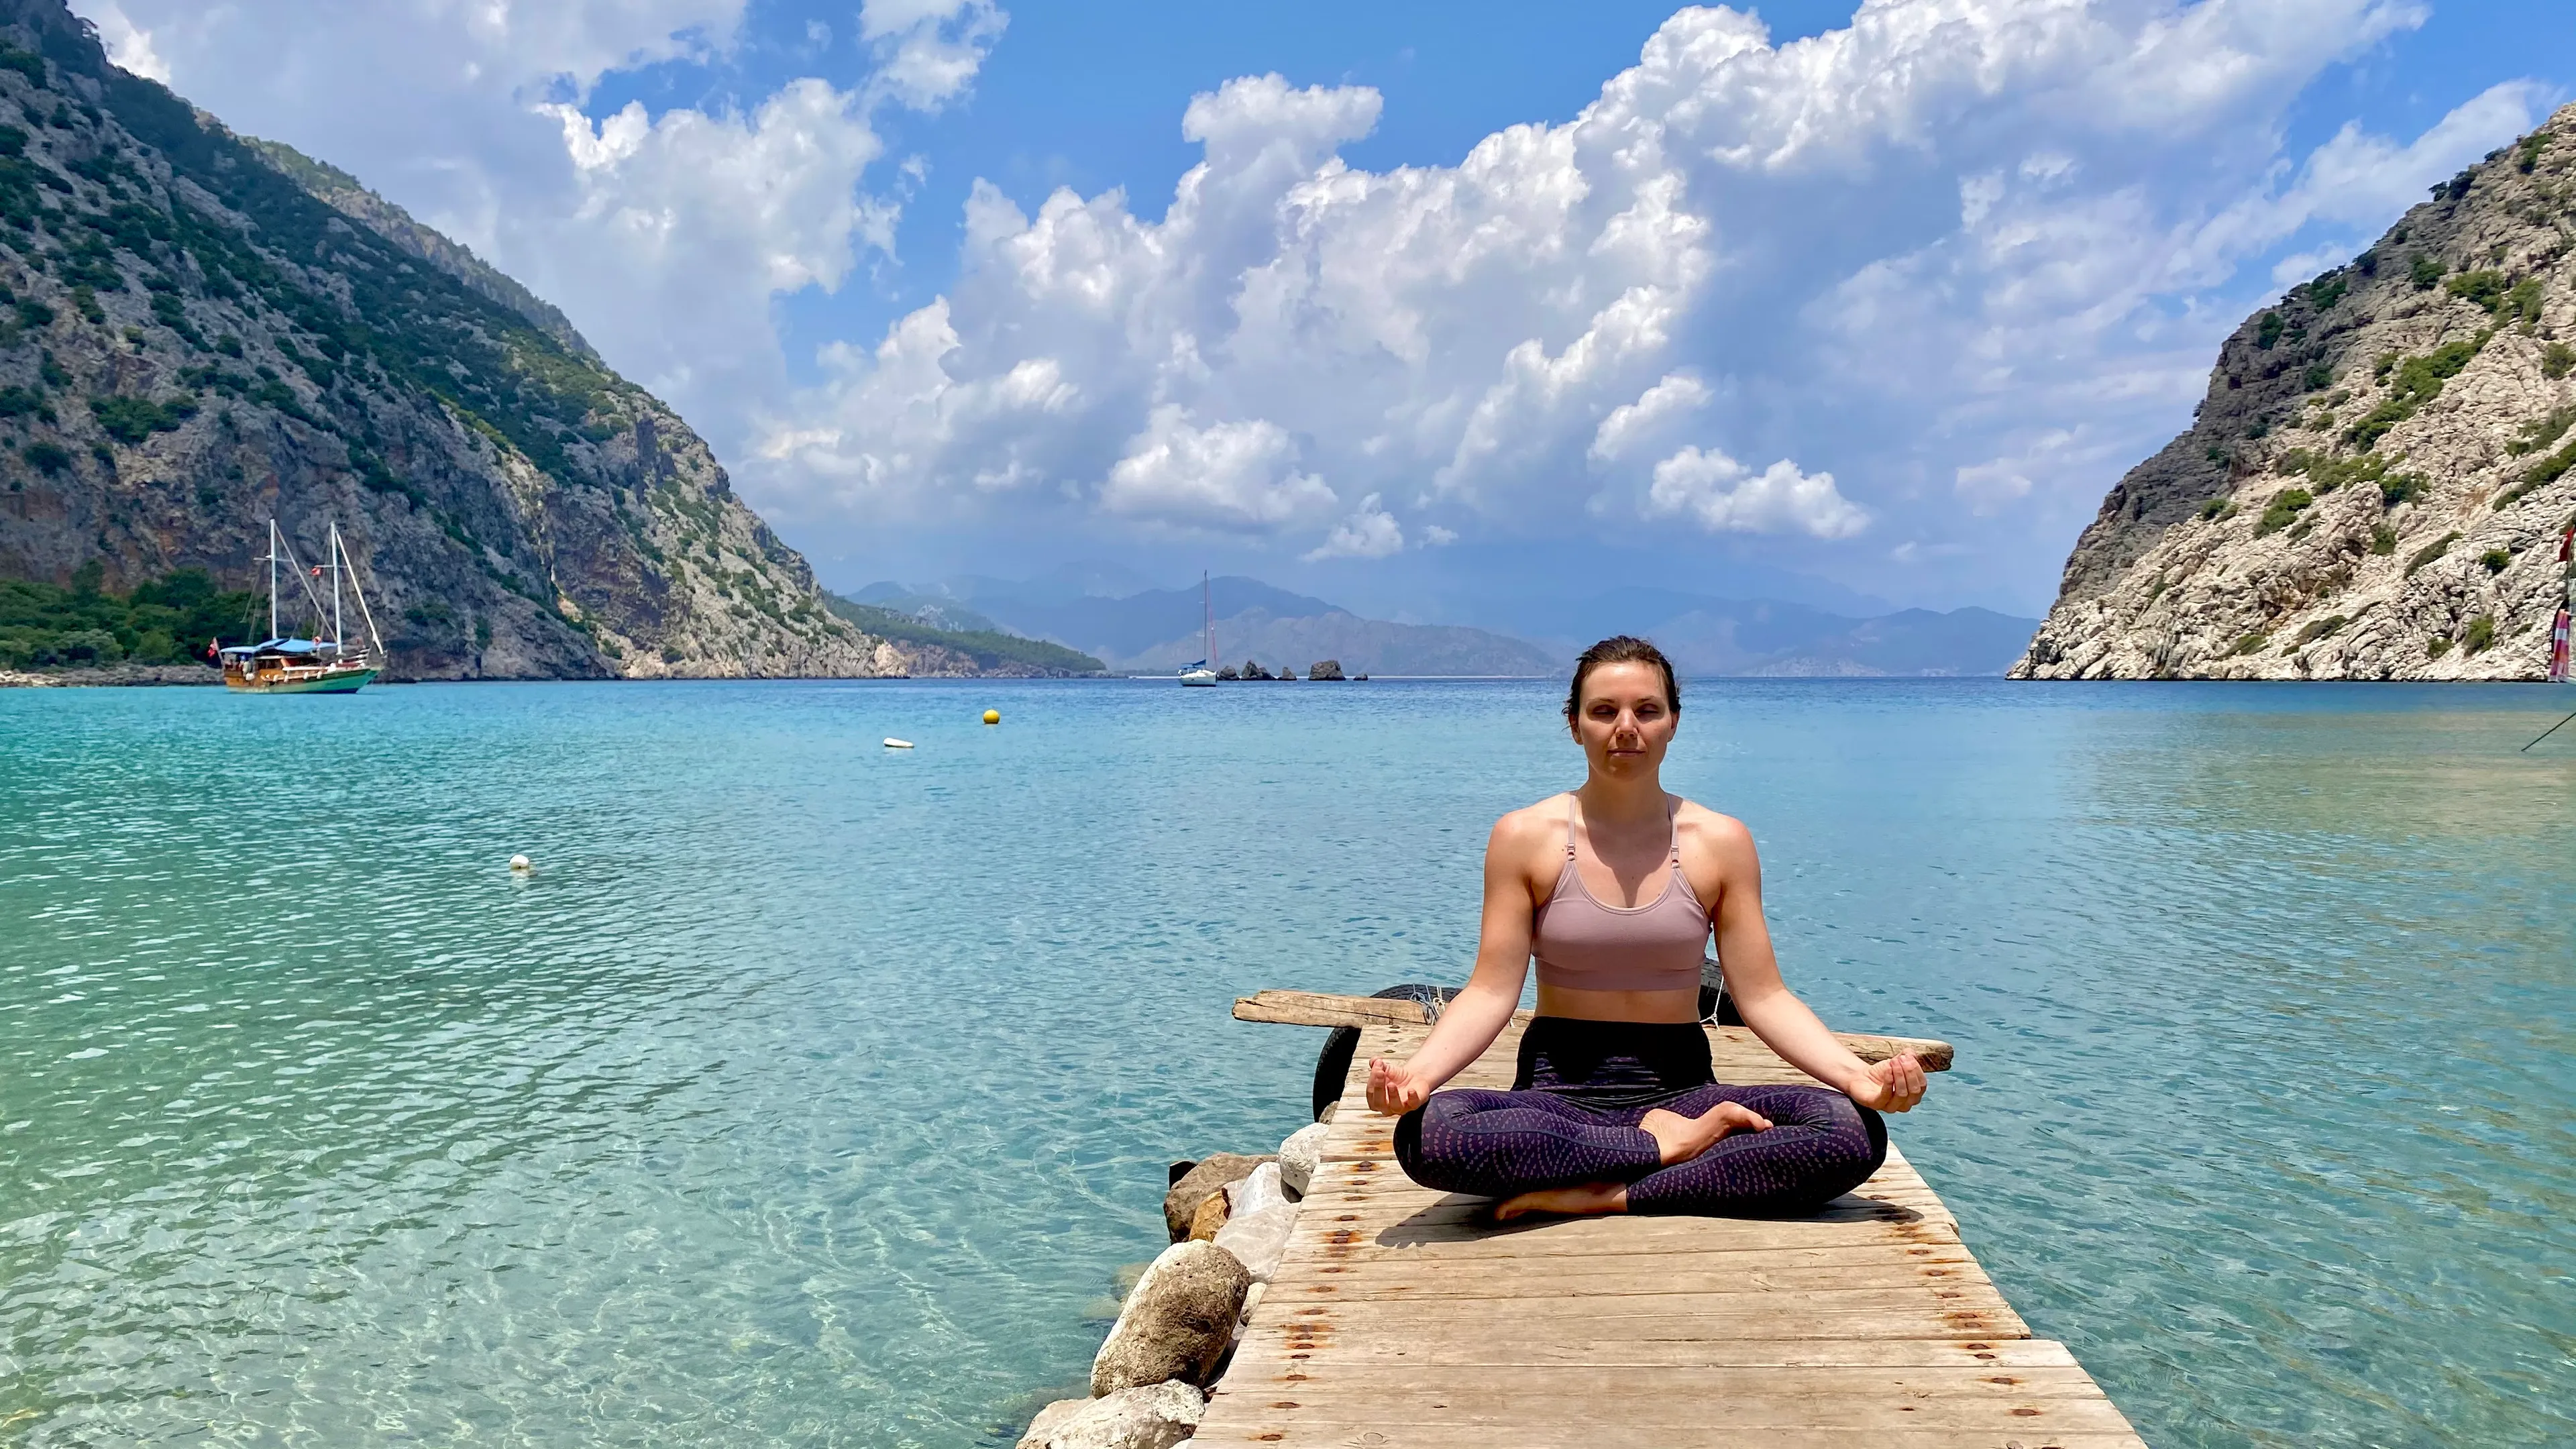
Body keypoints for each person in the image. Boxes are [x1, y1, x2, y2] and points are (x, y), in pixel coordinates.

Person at [1368, 636, 1928, 1220]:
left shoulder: (1721, 842)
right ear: (1575, 724)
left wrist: (1859, 1079)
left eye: (1647, 710)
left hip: (1685, 1090)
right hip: (1559, 1096)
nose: (1626, 727)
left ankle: (1611, 1193)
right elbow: (1489, 990)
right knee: (1431, 1133)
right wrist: (1418, 1077)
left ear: (1674, 723)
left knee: (1849, 1131)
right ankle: (1667, 1152)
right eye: (1604, 711)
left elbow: (1763, 995)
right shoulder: (1524, 837)